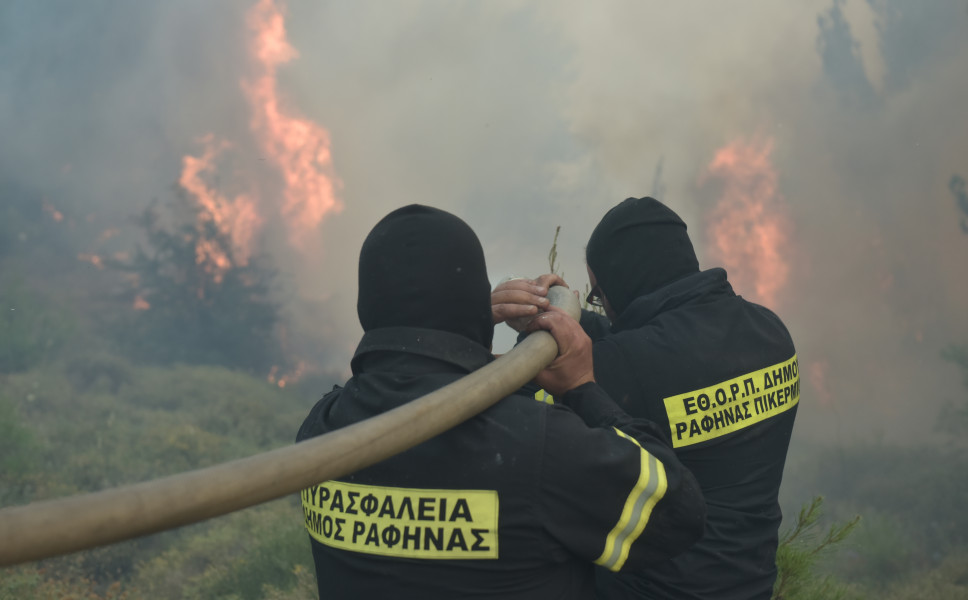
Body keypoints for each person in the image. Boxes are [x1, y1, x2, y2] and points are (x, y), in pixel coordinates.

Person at [296, 204, 705, 600]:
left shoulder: (321, 434)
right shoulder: (539, 446)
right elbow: (677, 512)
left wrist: (456, 331)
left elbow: (400, 379)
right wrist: (581, 386)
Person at [493, 196, 800, 600]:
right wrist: (580, 319)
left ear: (621, 283)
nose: (600, 305)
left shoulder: (624, 367)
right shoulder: (771, 334)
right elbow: (658, 354)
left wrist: (529, 324)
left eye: (598, 294)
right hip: (750, 585)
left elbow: (510, 395)